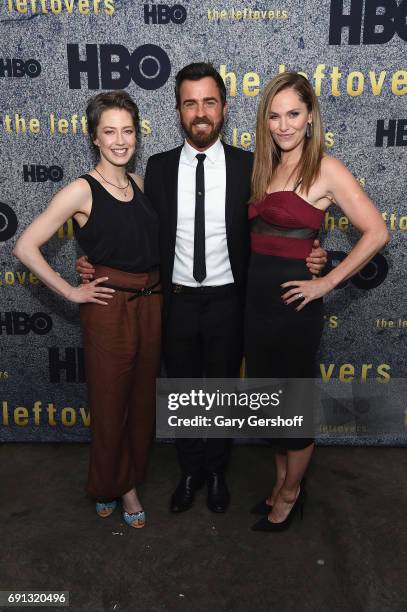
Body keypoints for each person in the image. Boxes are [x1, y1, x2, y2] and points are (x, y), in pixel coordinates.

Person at [77, 63, 327, 514]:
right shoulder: (155, 168)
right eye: (190, 102)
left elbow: (282, 225)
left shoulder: (252, 167)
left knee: (222, 391)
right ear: (178, 111)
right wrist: (94, 259)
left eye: (209, 101)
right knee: (185, 392)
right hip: (173, 302)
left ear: (224, 108)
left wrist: (315, 255)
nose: (200, 111)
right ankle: (190, 470)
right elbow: (128, 222)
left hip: (231, 301)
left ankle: (216, 471)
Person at [246, 72, 389, 532]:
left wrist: (325, 283)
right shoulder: (264, 167)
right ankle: (280, 482)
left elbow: (377, 231)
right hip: (256, 307)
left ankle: (290, 494)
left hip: (295, 309)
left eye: (293, 114)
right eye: (275, 115)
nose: (284, 125)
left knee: (295, 403)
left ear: (310, 118)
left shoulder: (325, 167)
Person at [13, 91, 161, 529]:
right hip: (108, 308)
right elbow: (25, 246)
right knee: (110, 402)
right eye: (110, 132)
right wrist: (72, 292)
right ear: (94, 137)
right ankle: (116, 487)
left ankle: (124, 476)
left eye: (128, 131)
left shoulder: (138, 183)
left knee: (141, 403)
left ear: (137, 134)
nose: (120, 141)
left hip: (152, 304)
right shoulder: (81, 189)